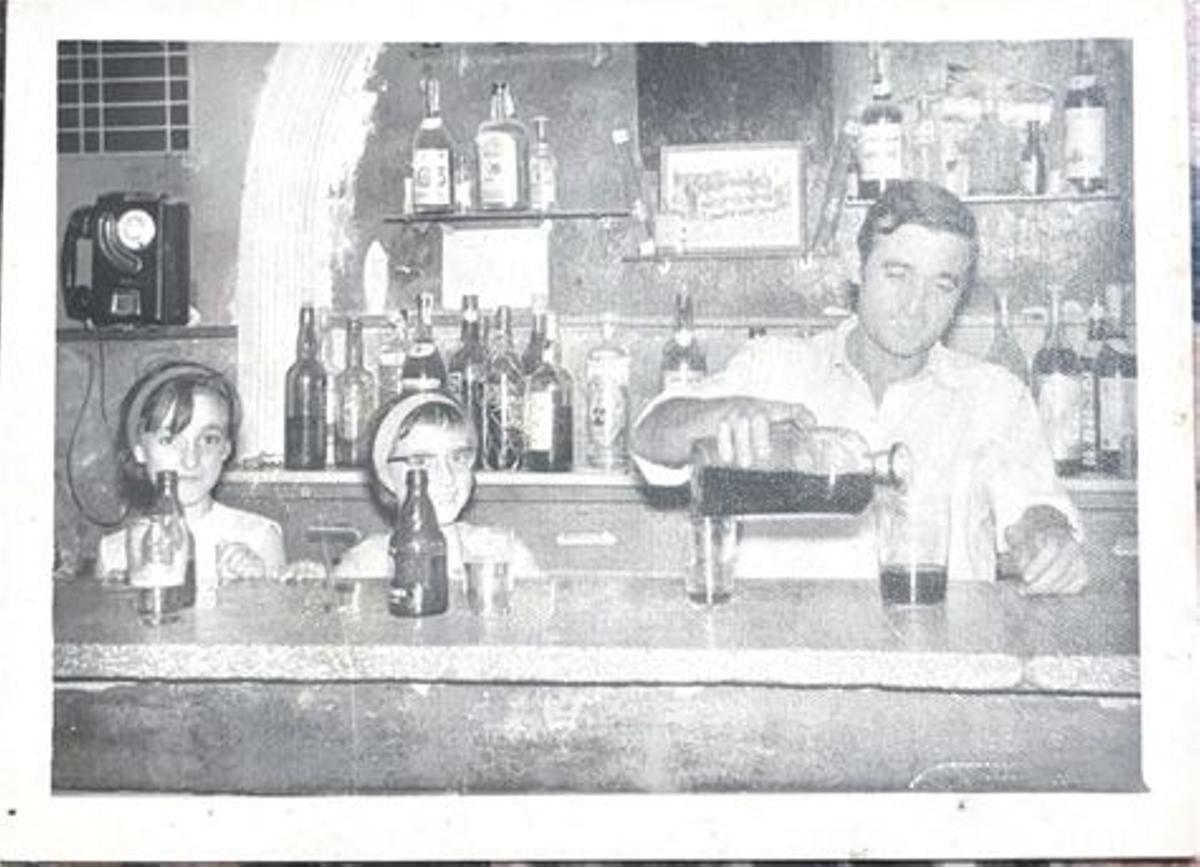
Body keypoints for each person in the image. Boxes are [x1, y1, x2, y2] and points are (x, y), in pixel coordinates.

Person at [632, 180, 1088, 594]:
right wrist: (724, 414)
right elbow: (649, 438)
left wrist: (1047, 541)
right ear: (857, 268)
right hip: (786, 649)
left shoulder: (995, 397)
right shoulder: (776, 366)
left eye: (941, 285)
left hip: (935, 649)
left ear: (961, 296)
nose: (915, 305)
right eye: (897, 274)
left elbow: (1037, 510)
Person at [98, 362, 309, 596]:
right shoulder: (114, 552)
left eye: (209, 440)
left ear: (226, 449)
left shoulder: (259, 537)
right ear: (139, 450)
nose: (191, 460)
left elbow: (272, 616)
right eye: (169, 440)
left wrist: (254, 586)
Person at [333, 391, 539, 583]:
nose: (447, 477)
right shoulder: (364, 566)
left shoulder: (505, 555)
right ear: (385, 475)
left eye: (458, 458)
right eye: (422, 461)